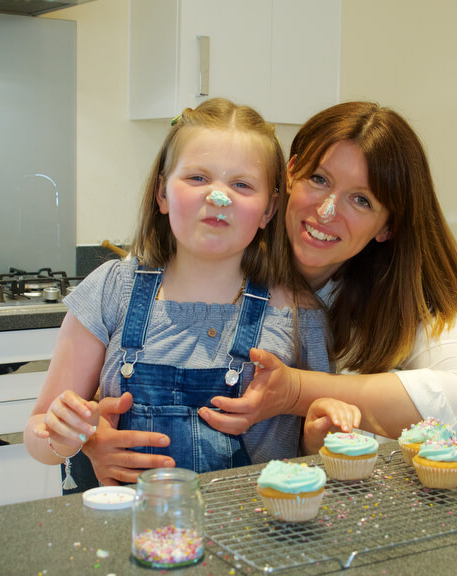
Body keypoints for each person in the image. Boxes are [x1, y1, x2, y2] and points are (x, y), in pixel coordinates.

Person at [83, 101, 457, 486]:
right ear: (289, 174)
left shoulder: (387, 299)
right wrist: (90, 439)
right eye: (319, 179)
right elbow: (71, 411)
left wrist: (299, 393)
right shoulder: (189, 260)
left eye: (361, 199)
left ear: (387, 226)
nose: (327, 210)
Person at [24, 98, 338, 487]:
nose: (217, 197)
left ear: (269, 210)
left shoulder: (298, 314)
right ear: (162, 194)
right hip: (122, 536)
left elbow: (313, 458)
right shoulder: (111, 290)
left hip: (247, 540)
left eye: (241, 184)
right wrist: (65, 434)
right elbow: (38, 435)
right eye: (197, 178)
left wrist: (321, 436)